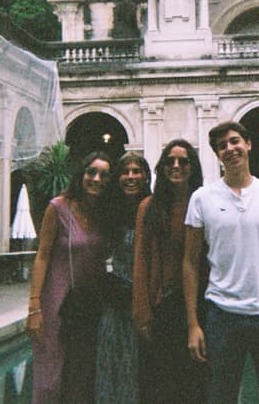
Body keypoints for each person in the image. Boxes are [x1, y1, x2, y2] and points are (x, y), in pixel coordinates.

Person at [183, 121, 259, 404]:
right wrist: (193, 324)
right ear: (217, 154)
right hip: (223, 314)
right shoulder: (202, 198)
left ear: (248, 144)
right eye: (222, 145)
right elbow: (189, 262)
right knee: (221, 396)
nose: (230, 149)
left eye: (235, 141)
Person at [27, 151, 113, 404]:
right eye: (91, 172)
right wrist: (34, 306)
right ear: (81, 174)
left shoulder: (102, 212)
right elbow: (42, 256)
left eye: (104, 175)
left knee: (83, 369)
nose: (96, 179)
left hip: (88, 303)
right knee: (52, 367)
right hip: (57, 299)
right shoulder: (58, 207)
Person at [133, 139, 208, 403]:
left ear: (193, 166)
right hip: (162, 303)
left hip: (201, 305)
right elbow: (140, 259)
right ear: (162, 167)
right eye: (170, 161)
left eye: (183, 161)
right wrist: (142, 311)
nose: (176, 166)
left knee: (197, 381)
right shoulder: (150, 207)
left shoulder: (204, 203)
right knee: (161, 383)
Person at [95, 151, 152, 404]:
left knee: (144, 368)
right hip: (117, 303)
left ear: (146, 176)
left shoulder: (153, 208)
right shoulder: (109, 210)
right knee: (113, 365)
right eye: (125, 171)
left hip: (147, 301)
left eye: (136, 171)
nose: (130, 177)